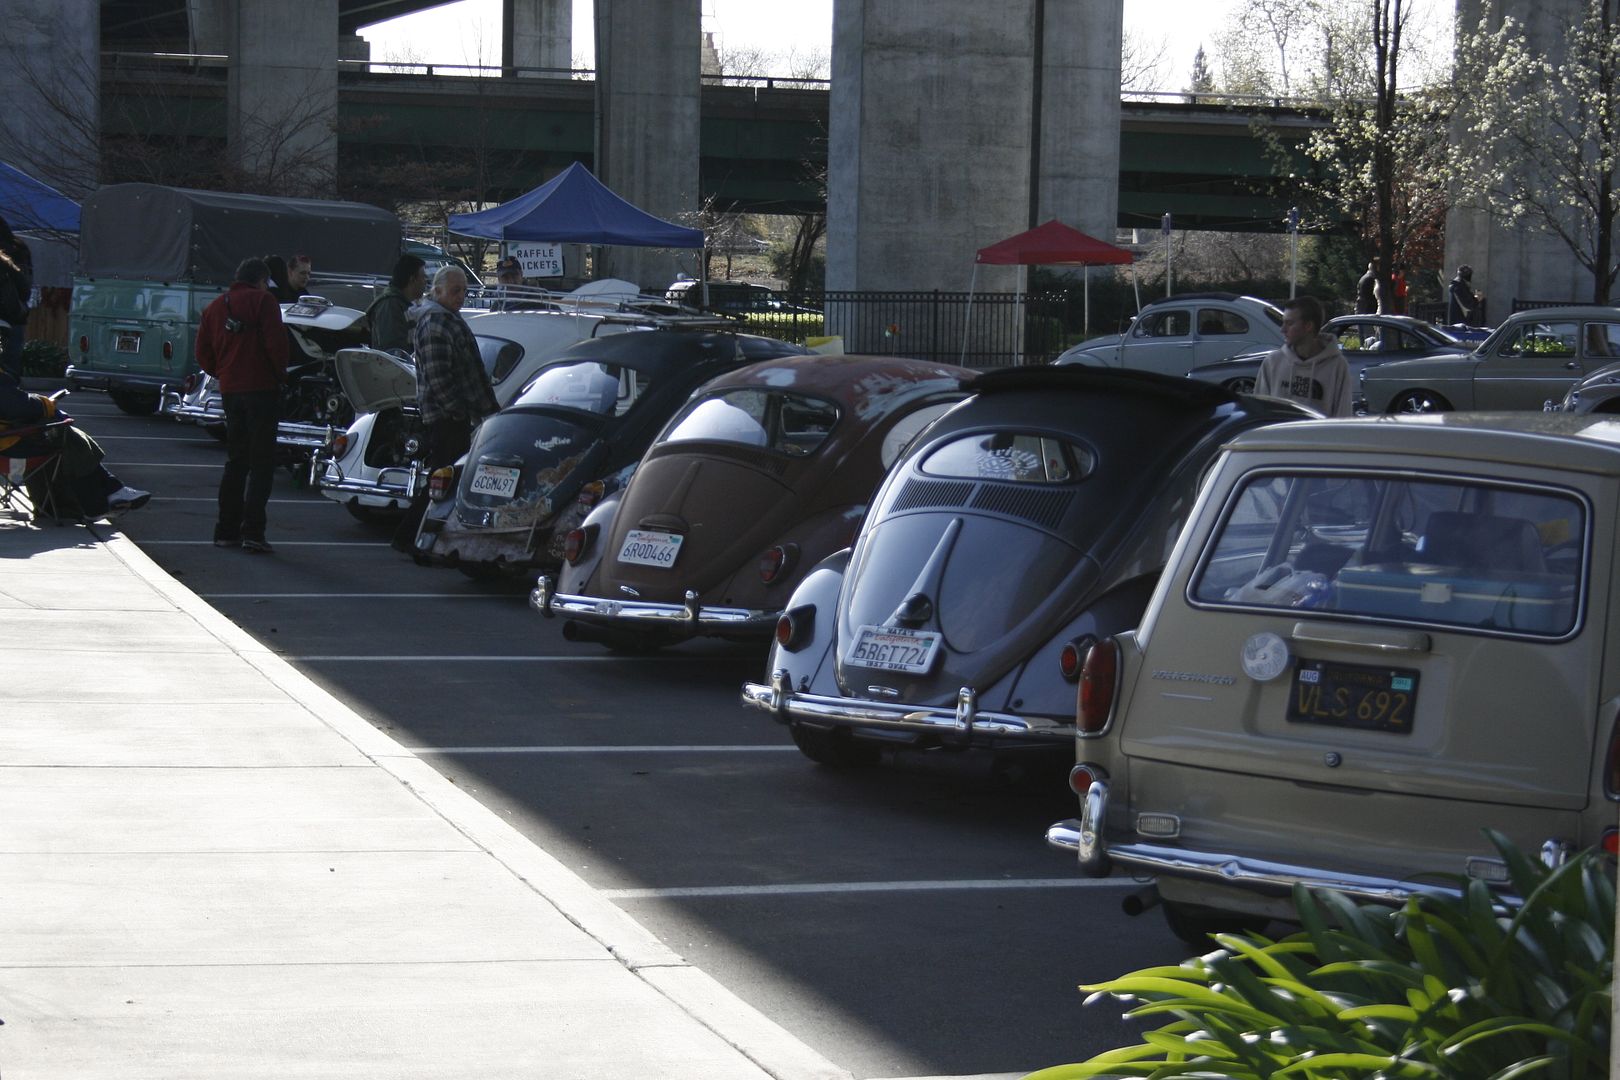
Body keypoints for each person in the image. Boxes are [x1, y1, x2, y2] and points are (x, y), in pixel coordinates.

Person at [392, 265, 499, 553]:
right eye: (455, 290)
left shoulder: (445, 318)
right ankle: (411, 536)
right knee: (443, 480)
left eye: (464, 290)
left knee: (443, 478)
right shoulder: (436, 322)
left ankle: (415, 536)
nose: (461, 296)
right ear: (437, 291)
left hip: (455, 413)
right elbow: (439, 377)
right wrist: (457, 411)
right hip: (447, 416)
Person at [195, 257, 289, 553]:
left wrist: (222, 372)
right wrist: (280, 375)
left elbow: (203, 353)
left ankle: (226, 530)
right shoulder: (264, 301)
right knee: (261, 464)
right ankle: (253, 532)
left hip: (231, 390)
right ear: (261, 280)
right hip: (261, 389)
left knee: (236, 461)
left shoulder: (214, 307)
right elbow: (276, 343)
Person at [0, 371, 149, 519]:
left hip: (8, 442)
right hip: (7, 450)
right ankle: (98, 502)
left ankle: (108, 494)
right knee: (66, 438)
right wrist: (47, 404)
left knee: (61, 434)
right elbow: (19, 406)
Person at [1253, 295, 1353, 418]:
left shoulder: (1337, 365)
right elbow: (1260, 411)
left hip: (1318, 436)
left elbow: (1343, 414)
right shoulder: (1273, 362)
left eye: (1289, 323)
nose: (1282, 329)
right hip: (1279, 436)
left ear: (1308, 326)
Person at [365, 253, 427, 354]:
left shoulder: (406, 304)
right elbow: (393, 351)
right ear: (412, 280)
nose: (426, 282)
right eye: (423, 277)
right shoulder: (389, 306)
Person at [0, 216, 34, 379]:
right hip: (14, 316)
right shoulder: (19, 249)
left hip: (10, 315)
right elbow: (25, 288)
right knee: (11, 370)